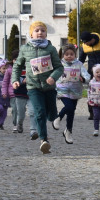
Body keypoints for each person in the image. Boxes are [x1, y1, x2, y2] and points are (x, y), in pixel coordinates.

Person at [12, 21, 63, 154]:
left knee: (51, 113)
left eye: (42, 30)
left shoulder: (50, 49)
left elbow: (59, 67)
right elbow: (17, 66)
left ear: (46, 34)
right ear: (31, 34)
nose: (40, 32)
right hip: (33, 86)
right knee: (39, 112)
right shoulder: (25, 49)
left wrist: (53, 77)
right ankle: (44, 140)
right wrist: (15, 80)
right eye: (37, 30)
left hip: (49, 87)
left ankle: (53, 118)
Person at [53, 44, 90, 144]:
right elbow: (54, 74)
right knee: (69, 107)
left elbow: (87, 75)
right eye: (67, 54)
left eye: (72, 54)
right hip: (62, 90)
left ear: (75, 54)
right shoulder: (59, 64)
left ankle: (68, 131)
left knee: (71, 111)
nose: (69, 56)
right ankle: (59, 117)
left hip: (75, 91)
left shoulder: (79, 64)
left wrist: (83, 79)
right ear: (63, 55)